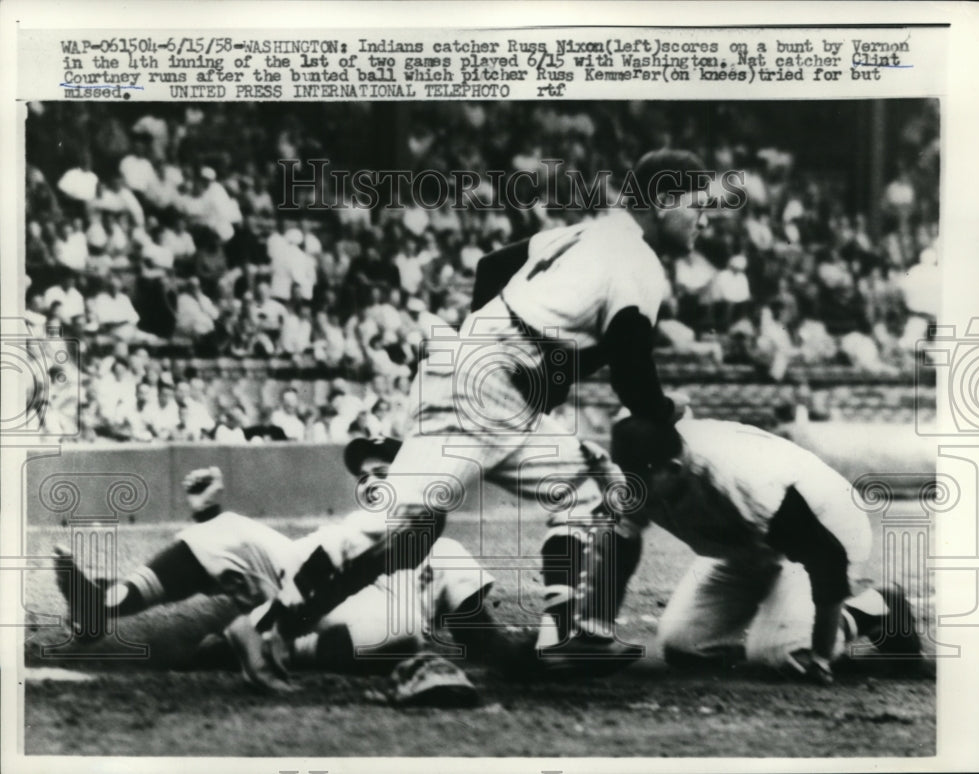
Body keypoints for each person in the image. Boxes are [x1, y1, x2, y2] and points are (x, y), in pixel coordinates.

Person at [223, 149, 711, 689]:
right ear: (664, 201)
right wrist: (670, 414)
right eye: (698, 205)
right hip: (484, 391)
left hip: (492, 388)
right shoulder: (638, 261)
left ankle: (567, 637)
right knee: (400, 525)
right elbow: (634, 377)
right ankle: (263, 625)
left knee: (591, 487)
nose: (705, 219)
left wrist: (492, 345)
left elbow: (493, 267)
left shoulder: (587, 234)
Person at [54, 461, 500, 678]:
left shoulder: (446, 551)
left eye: (380, 468)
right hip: (300, 586)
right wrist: (209, 520)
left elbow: (482, 637)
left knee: (402, 628)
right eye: (362, 474)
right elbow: (279, 566)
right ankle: (102, 606)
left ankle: (264, 649)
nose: (368, 479)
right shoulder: (338, 534)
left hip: (368, 617)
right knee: (229, 530)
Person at [609, 415, 928, 685]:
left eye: (639, 478)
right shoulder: (648, 467)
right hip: (747, 542)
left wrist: (820, 656)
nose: (629, 485)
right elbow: (624, 539)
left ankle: (875, 607)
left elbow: (826, 558)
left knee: (786, 657)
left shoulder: (742, 483)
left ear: (675, 468)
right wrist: (599, 627)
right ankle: (784, 622)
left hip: (825, 528)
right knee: (683, 647)